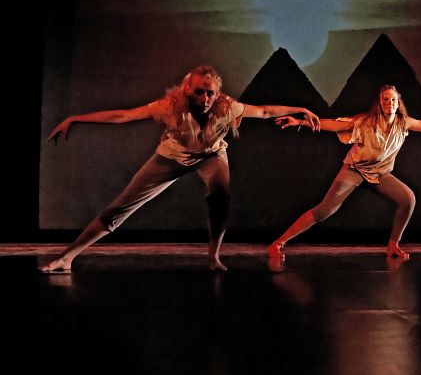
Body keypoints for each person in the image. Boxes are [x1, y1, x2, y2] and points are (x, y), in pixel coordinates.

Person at [40, 65, 321, 273]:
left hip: (211, 156)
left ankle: (213, 257)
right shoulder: (168, 107)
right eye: (199, 92)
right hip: (172, 157)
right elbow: (122, 116)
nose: (205, 98)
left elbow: (265, 111)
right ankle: (67, 257)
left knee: (221, 197)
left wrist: (301, 109)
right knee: (119, 209)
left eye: (210, 93)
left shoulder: (228, 107)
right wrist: (75, 119)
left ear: (217, 93)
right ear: (187, 90)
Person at [267, 84, 421, 260]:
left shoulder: (404, 123)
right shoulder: (365, 122)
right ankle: (278, 242)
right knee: (326, 210)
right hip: (355, 169)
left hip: (381, 174)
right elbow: (333, 125)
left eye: (393, 100)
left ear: (398, 103)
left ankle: (393, 245)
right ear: (380, 103)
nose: (389, 103)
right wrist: (300, 122)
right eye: (385, 100)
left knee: (408, 199)